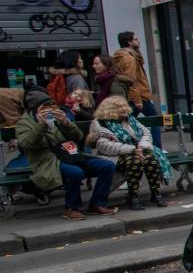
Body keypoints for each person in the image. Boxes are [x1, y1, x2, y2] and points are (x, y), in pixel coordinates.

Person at [17, 89, 118, 219]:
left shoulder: (58, 116)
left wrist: (66, 122)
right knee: (75, 172)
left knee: (107, 166)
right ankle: (71, 208)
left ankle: (97, 204)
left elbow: (78, 137)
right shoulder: (24, 124)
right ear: (36, 108)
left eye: (51, 104)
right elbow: (27, 144)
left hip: (70, 154)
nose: (50, 109)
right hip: (48, 161)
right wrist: (41, 125)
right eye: (45, 106)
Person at [87, 95, 170, 209]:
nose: (124, 109)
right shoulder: (100, 123)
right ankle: (133, 196)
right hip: (114, 155)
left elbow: (146, 133)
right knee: (135, 162)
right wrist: (131, 149)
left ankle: (155, 193)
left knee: (151, 159)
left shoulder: (130, 119)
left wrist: (142, 146)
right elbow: (104, 146)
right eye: (120, 107)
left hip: (138, 149)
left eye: (124, 106)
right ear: (110, 109)